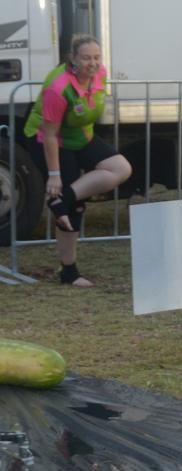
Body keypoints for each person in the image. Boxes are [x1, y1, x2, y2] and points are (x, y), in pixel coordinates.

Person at [23, 34, 131, 287]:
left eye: (96, 57)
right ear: (72, 58)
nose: (92, 63)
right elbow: (49, 134)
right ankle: (68, 272)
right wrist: (54, 175)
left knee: (121, 168)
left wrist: (64, 192)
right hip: (49, 139)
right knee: (75, 209)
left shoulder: (100, 73)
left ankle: (63, 199)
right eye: (86, 58)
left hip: (81, 136)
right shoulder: (58, 87)